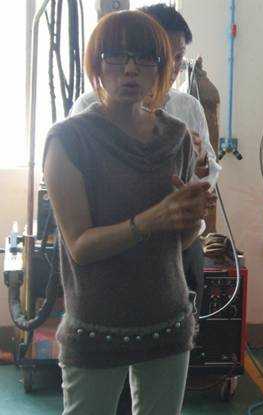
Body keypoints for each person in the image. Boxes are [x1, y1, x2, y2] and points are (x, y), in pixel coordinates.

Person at [43, 10, 215, 415]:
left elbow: (178, 242)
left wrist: (192, 219)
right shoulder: (69, 140)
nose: (131, 69)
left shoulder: (176, 137)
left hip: (168, 320)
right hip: (97, 324)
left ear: (163, 68)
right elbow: (80, 246)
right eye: (117, 56)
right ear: (97, 65)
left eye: (145, 58)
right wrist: (154, 219)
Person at [71, 3, 215, 314]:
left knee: (184, 321)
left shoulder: (186, 111)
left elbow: (206, 176)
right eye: (161, 54)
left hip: (178, 246)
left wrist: (198, 161)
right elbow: (80, 239)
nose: (172, 66)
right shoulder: (82, 118)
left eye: (178, 57)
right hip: (109, 249)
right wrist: (151, 218)